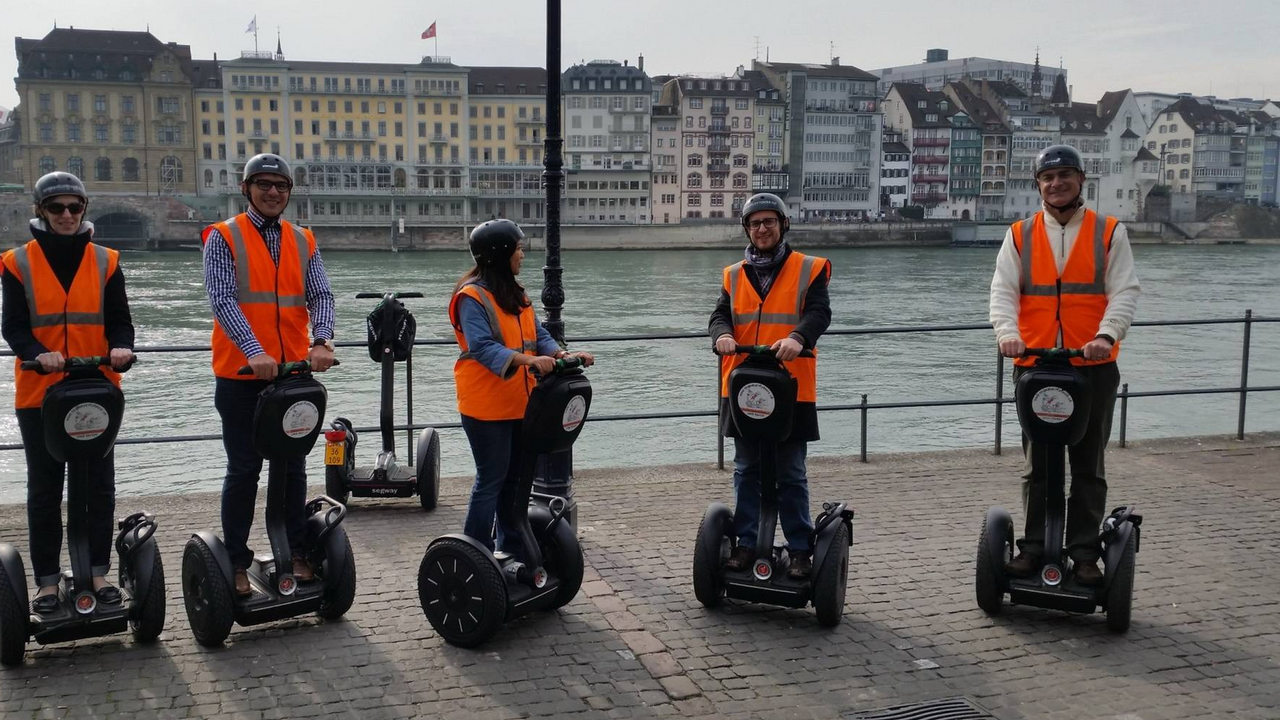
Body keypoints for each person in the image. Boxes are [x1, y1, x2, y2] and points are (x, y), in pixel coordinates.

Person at [989, 144, 1141, 585]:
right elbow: (1003, 291)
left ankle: (1084, 553)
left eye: (1065, 176)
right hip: (1035, 364)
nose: (1056, 184)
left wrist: (1106, 335)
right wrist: (1006, 333)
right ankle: (1034, 548)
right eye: (1048, 177)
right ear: (1038, 185)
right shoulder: (1020, 234)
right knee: (1039, 462)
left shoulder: (1108, 232)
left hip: (1091, 364)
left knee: (1088, 462)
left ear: (1080, 182)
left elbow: (1125, 291)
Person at [202, 153, 336, 597]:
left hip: (292, 375)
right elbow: (223, 300)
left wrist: (321, 340)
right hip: (242, 375)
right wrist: (254, 351)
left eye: (281, 185)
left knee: (292, 466)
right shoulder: (223, 236)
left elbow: (320, 293)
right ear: (246, 189)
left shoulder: (304, 239)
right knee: (244, 469)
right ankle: (237, 561)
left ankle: (295, 551)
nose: (273, 192)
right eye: (263, 184)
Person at [1, 172, 135, 612]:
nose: (66, 215)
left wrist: (121, 348)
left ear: (84, 209)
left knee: (98, 486)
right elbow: (15, 327)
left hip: (96, 388)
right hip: (41, 392)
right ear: (40, 210)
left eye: (74, 207)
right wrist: (39, 353)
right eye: (56, 207)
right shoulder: (16, 262)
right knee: (45, 487)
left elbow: (120, 320)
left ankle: (96, 572)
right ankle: (45, 581)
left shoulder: (107, 260)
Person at [448, 219, 593, 552]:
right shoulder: (472, 297)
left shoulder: (516, 293)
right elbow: (481, 345)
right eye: (518, 248)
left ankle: (511, 547)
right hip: (485, 407)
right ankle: (475, 552)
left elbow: (537, 334)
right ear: (500, 253)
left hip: (520, 402)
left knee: (516, 482)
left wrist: (561, 353)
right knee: (491, 480)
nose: (522, 254)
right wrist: (527, 362)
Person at [709, 193, 832, 579]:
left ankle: (799, 549)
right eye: (754, 223)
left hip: (791, 387)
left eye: (769, 222)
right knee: (746, 469)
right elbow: (718, 314)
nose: (762, 229)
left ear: (782, 225)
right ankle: (747, 544)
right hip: (744, 388)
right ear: (746, 229)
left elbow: (819, 312)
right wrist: (722, 334)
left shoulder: (808, 268)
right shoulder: (733, 273)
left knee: (790, 470)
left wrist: (799, 337)